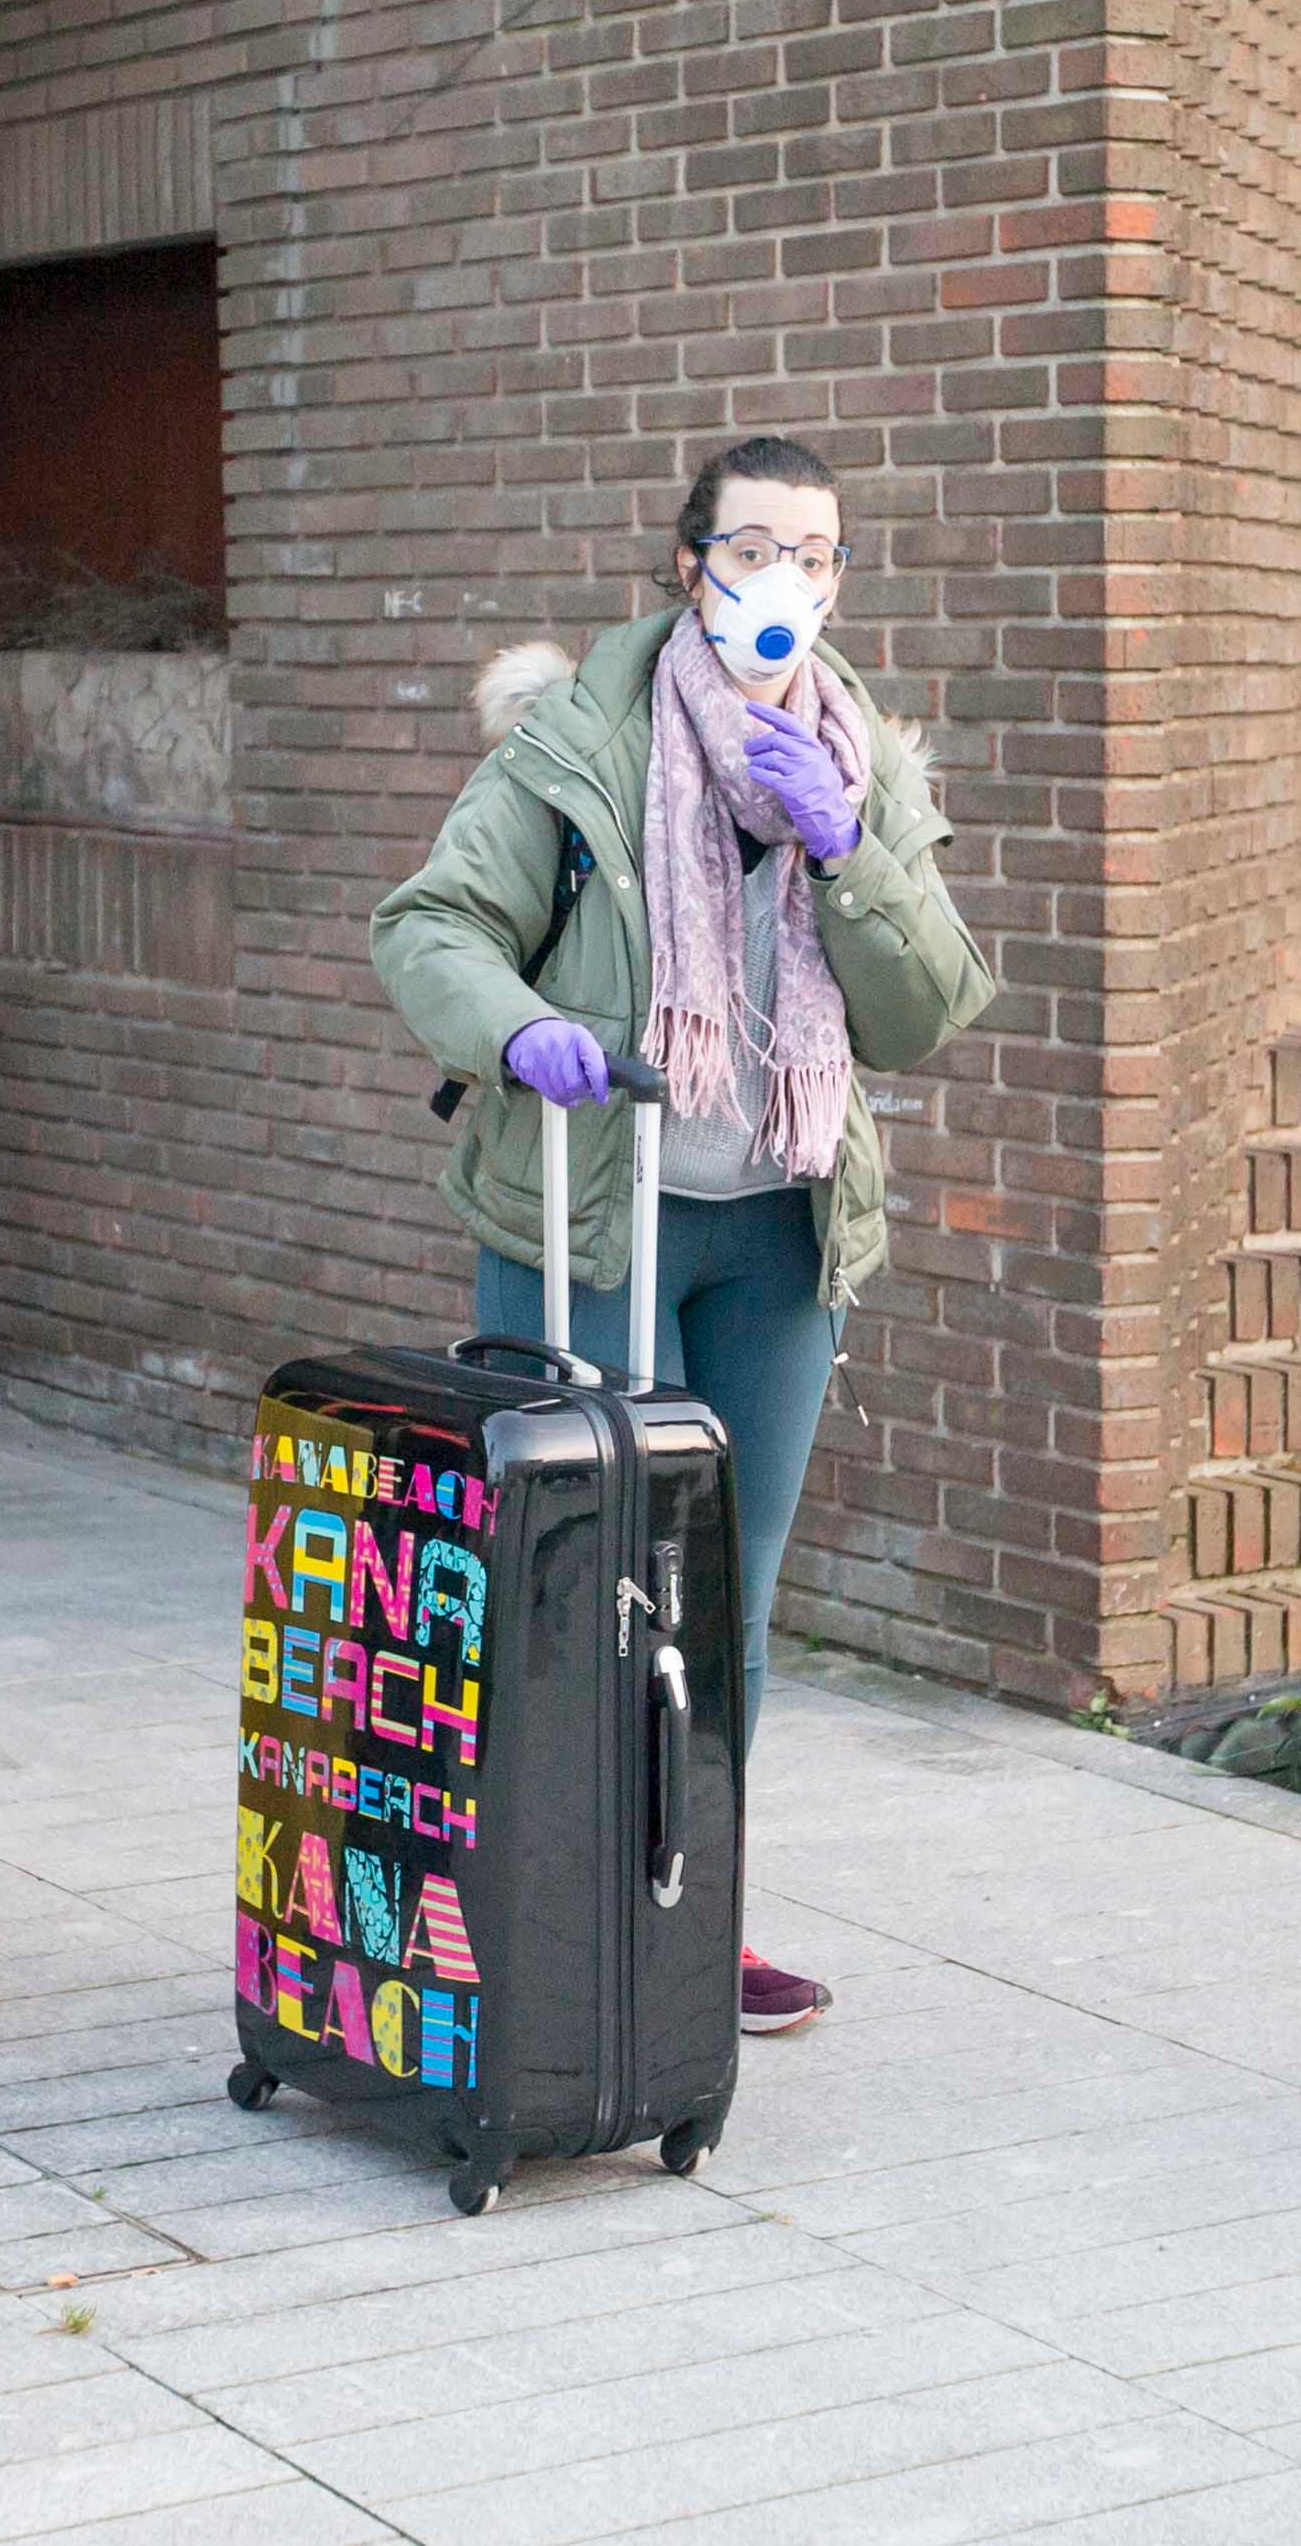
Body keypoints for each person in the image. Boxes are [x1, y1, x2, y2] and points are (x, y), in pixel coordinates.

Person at [372, 433, 999, 2037]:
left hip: (773, 1234)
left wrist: (851, 854)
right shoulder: (578, 744)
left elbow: (924, 1015)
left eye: (815, 554)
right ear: (687, 568)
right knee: (578, 1578)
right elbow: (430, 925)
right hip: (592, 1218)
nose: (784, 582)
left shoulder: (865, 755)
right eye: (753, 550)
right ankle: (534, 1918)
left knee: (722, 1590)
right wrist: (517, 1033)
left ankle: (685, 1921)